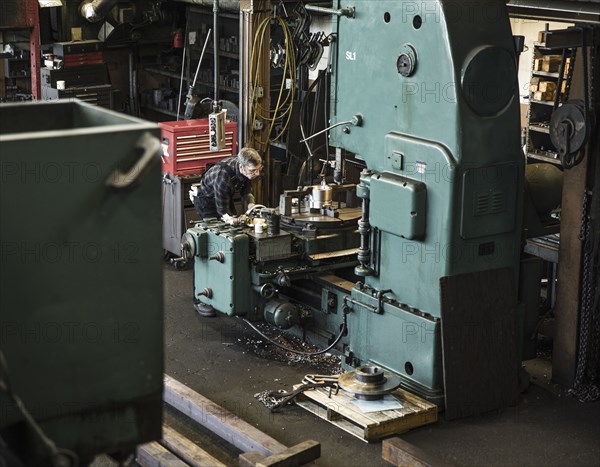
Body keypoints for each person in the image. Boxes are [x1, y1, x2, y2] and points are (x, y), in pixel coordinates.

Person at [189, 147, 262, 224]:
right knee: (215, 231)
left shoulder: (245, 166)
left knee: (233, 219)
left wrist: (251, 204)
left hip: (224, 196)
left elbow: (246, 189)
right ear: (241, 167)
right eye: (253, 170)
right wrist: (232, 220)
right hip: (207, 203)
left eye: (258, 169)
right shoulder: (222, 176)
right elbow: (222, 210)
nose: (257, 173)